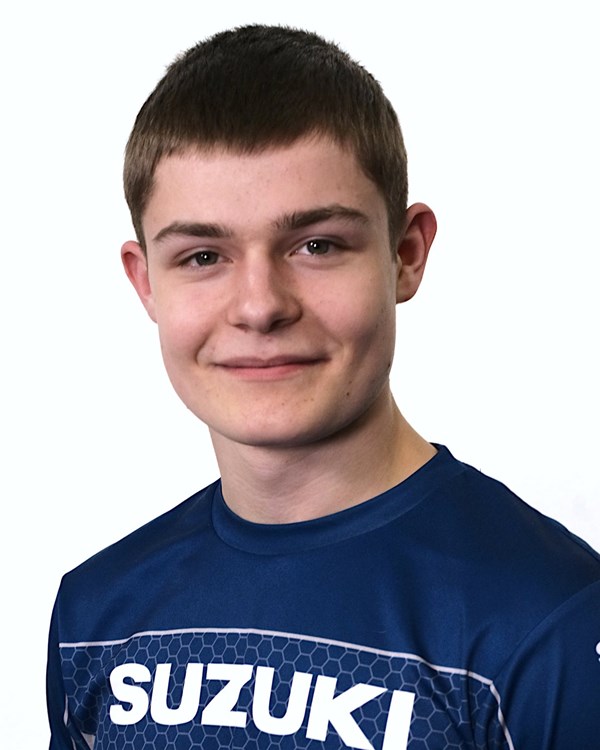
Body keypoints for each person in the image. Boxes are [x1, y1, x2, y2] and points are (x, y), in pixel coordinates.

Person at [46, 24, 600, 750]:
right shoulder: (95, 618)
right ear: (145, 280)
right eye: (203, 256)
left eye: (317, 245)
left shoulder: (550, 623)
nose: (259, 307)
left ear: (406, 254)